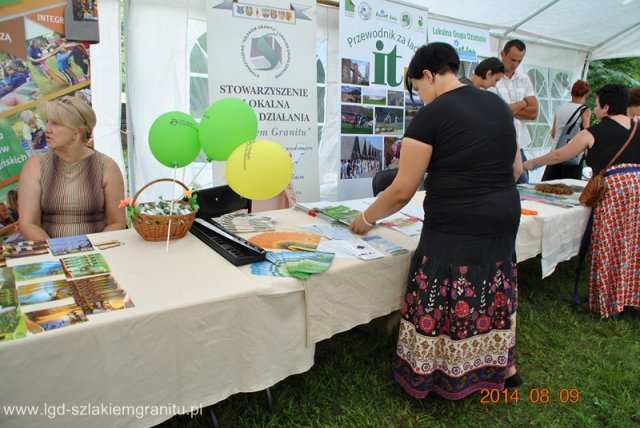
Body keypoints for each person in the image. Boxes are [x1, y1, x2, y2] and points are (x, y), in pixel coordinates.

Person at [350, 43, 521, 400]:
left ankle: (432, 374)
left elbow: (402, 190)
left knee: (440, 290)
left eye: (418, 89)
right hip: (504, 211)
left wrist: (366, 217)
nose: (421, 98)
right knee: (493, 285)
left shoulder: (432, 116)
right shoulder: (498, 106)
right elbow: (516, 169)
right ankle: (501, 366)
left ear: (427, 75)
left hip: (456, 220)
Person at [523, 84, 640, 318]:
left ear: (606, 107)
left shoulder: (593, 133)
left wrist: (530, 164)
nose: (595, 109)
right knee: (631, 244)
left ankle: (607, 302)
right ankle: (630, 296)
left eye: (597, 105)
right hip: (637, 188)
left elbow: (560, 154)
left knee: (608, 243)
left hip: (614, 190)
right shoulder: (637, 127)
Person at [18, 96, 126, 240]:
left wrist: (93, 251)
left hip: (98, 253)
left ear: (77, 132)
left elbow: (117, 222)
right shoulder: (35, 166)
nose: (46, 129)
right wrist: (57, 252)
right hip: (50, 255)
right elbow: (28, 223)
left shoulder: (107, 167)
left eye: (55, 124)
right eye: (47, 122)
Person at [492, 39, 539, 183]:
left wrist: (509, 109)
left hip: (520, 141)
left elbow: (534, 113)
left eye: (519, 61)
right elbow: (495, 112)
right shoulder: (493, 77)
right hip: (499, 143)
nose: (515, 65)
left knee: (524, 188)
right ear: (503, 54)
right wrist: (524, 102)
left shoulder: (524, 78)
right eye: (512, 60)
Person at [541, 80, 591, 181]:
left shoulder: (561, 107)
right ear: (586, 94)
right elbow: (587, 134)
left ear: (571, 93)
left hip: (555, 151)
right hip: (572, 154)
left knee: (549, 185)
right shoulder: (584, 110)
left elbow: (553, 132)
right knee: (568, 188)